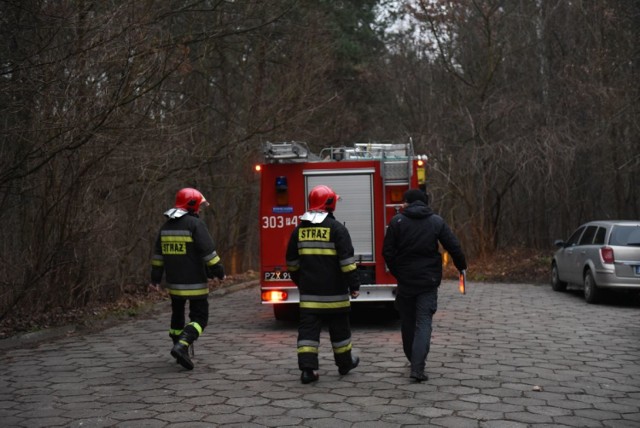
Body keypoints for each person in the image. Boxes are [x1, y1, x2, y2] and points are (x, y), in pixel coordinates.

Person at [382, 188, 466, 382]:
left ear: (409, 203)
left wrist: (398, 273)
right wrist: (462, 267)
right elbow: (453, 246)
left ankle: (413, 361)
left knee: (408, 322)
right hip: (428, 281)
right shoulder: (436, 221)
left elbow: (387, 252)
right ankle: (418, 368)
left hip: (406, 281)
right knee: (424, 322)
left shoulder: (397, 222)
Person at [286, 185, 361, 384]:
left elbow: (292, 263)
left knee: (308, 335)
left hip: (309, 296)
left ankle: (308, 371)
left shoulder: (299, 230)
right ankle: (345, 364)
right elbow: (347, 262)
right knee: (340, 333)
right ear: (331, 203)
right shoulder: (338, 229)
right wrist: (354, 286)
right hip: (336, 296)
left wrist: (301, 282)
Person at [150, 187, 225, 370]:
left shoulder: (166, 226)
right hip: (195, 283)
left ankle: (177, 345)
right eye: (198, 205)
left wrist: (155, 280)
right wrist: (219, 272)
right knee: (200, 318)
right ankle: (182, 345)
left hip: (174, 284)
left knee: (177, 317)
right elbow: (209, 253)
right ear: (191, 205)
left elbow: (158, 257)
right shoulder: (195, 224)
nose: (199, 210)